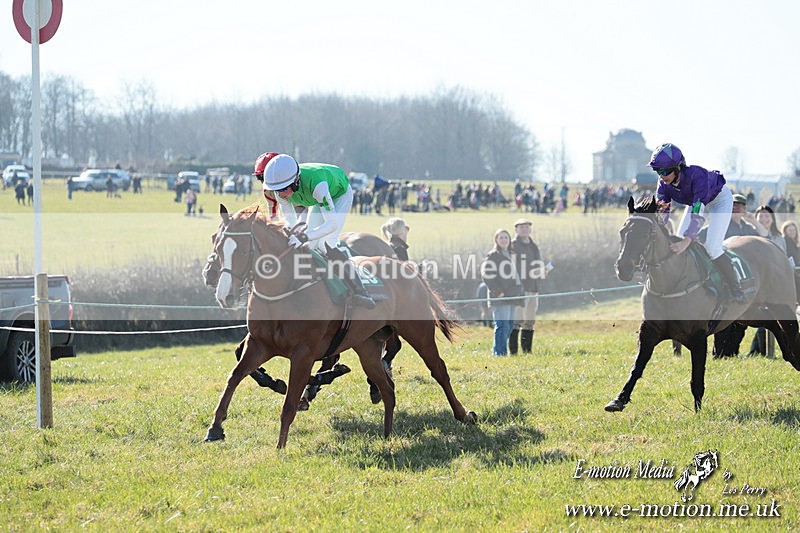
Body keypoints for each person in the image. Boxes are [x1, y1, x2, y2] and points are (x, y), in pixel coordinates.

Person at [262, 154, 376, 309]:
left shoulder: (318, 186)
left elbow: (332, 224)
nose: (281, 194)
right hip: (315, 199)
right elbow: (290, 221)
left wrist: (303, 237)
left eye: (283, 189)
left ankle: (359, 290)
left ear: (295, 181)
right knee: (310, 245)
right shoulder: (280, 190)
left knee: (325, 243)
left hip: (338, 194)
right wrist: (292, 233)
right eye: (276, 190)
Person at [650, 143, 746, 303]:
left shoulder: (697, 175)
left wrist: (687, 241)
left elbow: (697, 212)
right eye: (658, 171)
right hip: (696, 202)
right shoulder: (663, 184)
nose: (662, 175)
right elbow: (662, 212)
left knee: (712, 247)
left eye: (665, 171)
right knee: (679, 240)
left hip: (718, 201)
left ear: (678, 167)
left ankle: (735, 288)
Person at [698, 193, 758, 358]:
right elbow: (700, 240)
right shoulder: (717, 225)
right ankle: (720, 354)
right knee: (725, 314)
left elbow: (764, 237)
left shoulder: (747, 228)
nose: (736, 209)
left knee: (741, 317)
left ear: (745, 208)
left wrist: (754, 220)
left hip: (744, 277)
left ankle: (732, 353)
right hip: (722, 277)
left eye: (739, 206)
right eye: (733, 206)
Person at [481, 229, 524, 356]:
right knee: (502, 325)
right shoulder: (493, 255)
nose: (504, 239)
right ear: (496, 240)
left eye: (506, 237)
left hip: (512, 295)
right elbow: (486, 274)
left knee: (509, 325)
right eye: (501, 237)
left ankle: (498, 350)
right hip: (500, 296)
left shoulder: (513, 254)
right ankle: (499, 353)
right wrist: (497, 291)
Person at [509, 219, 544, 354]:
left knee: (529, 321)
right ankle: (513, 352)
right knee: (517, 320)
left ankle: (527, 351)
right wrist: (528, 273)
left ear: (530, 229)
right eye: (521, 227)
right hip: (519, 289)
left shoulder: (534, 246)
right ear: (516, 230)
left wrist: (542, 270)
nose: (524, 229)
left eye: (527, 227)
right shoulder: (513, 246)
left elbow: (538, 262)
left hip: (533, 288)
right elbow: (510, 267)